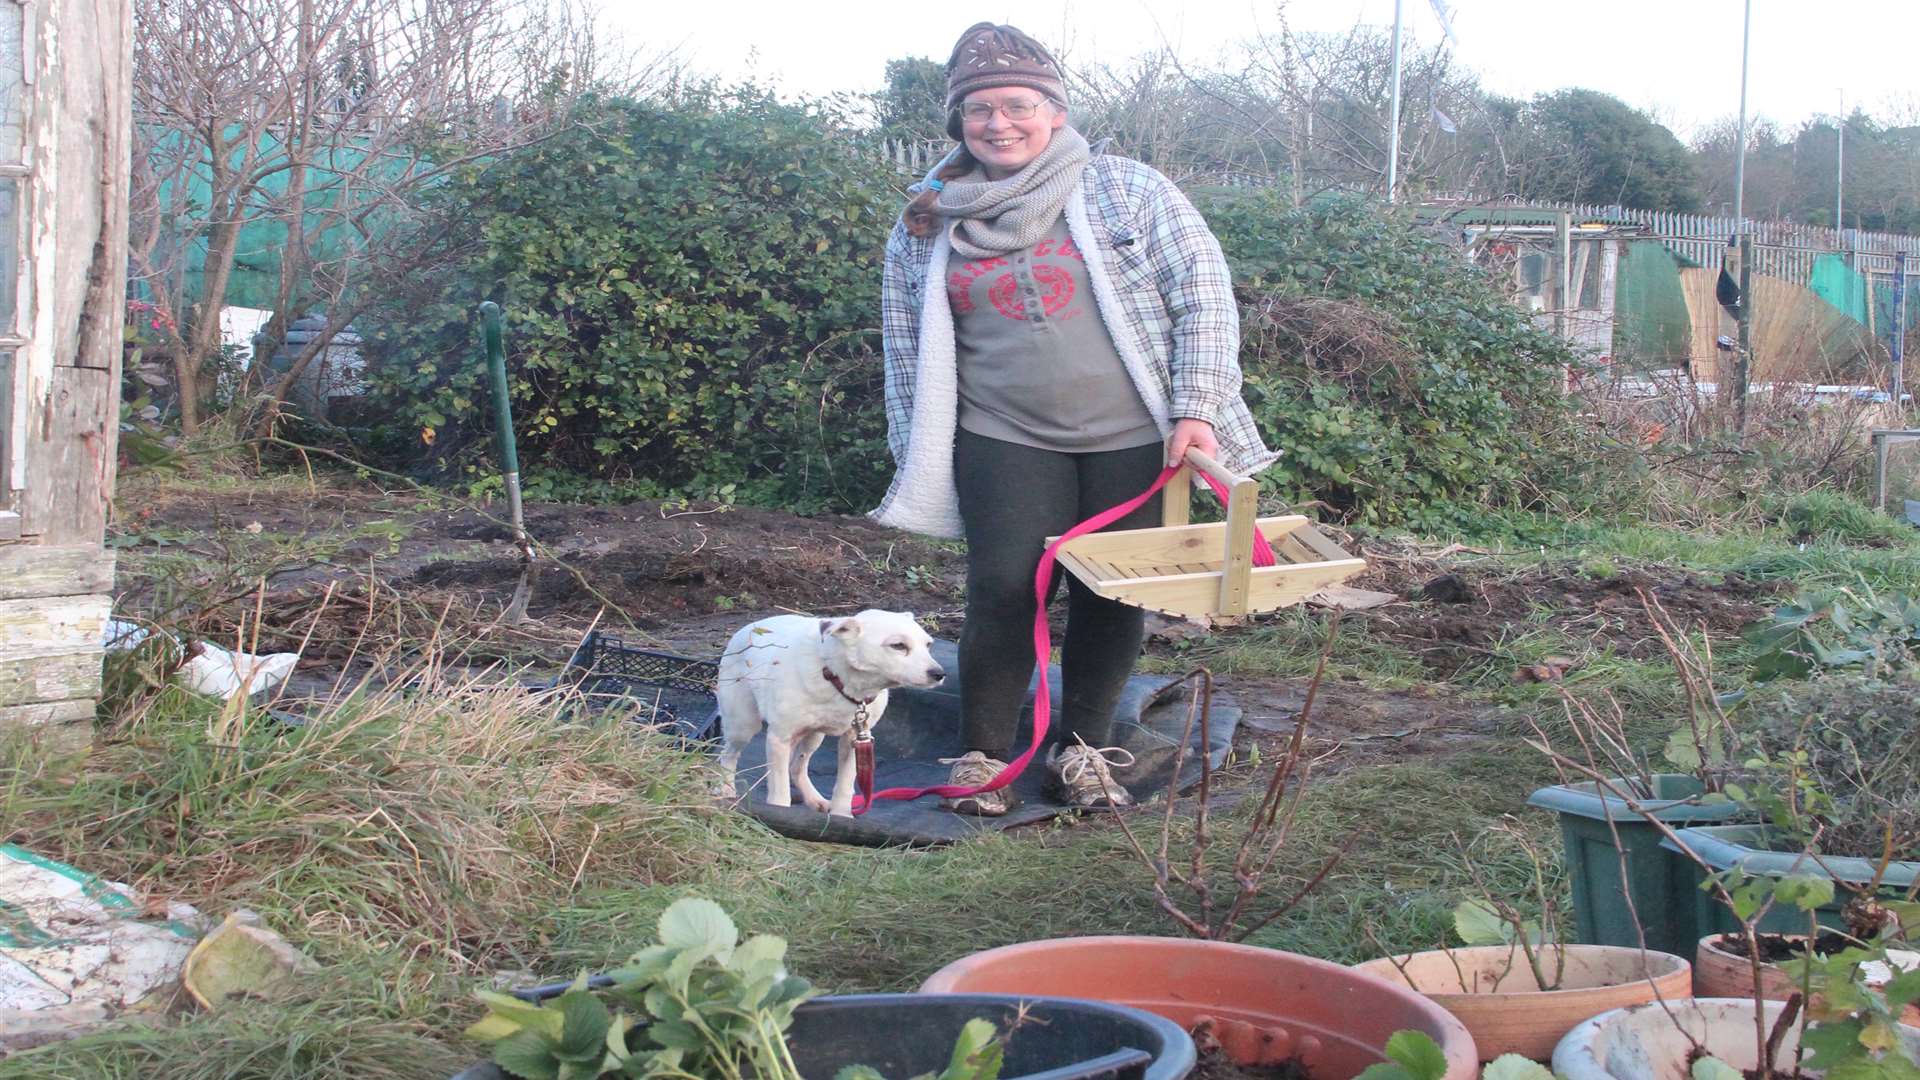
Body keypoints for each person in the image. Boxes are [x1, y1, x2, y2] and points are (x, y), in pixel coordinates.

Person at [870, 22, 1278, 816]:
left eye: (1018, 105)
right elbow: (903, 345)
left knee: (1116, 592)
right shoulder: (928, 221)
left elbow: (1203, 298)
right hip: (1001, 432)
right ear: (959, 124)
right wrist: (912, 448)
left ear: (1054, 111)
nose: (999, 123)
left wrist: (1197, 409)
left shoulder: (1128, 189)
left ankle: (1084, 751)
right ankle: (982, 757)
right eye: (979, 110)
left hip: (1140, 436)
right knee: (1001, 588)